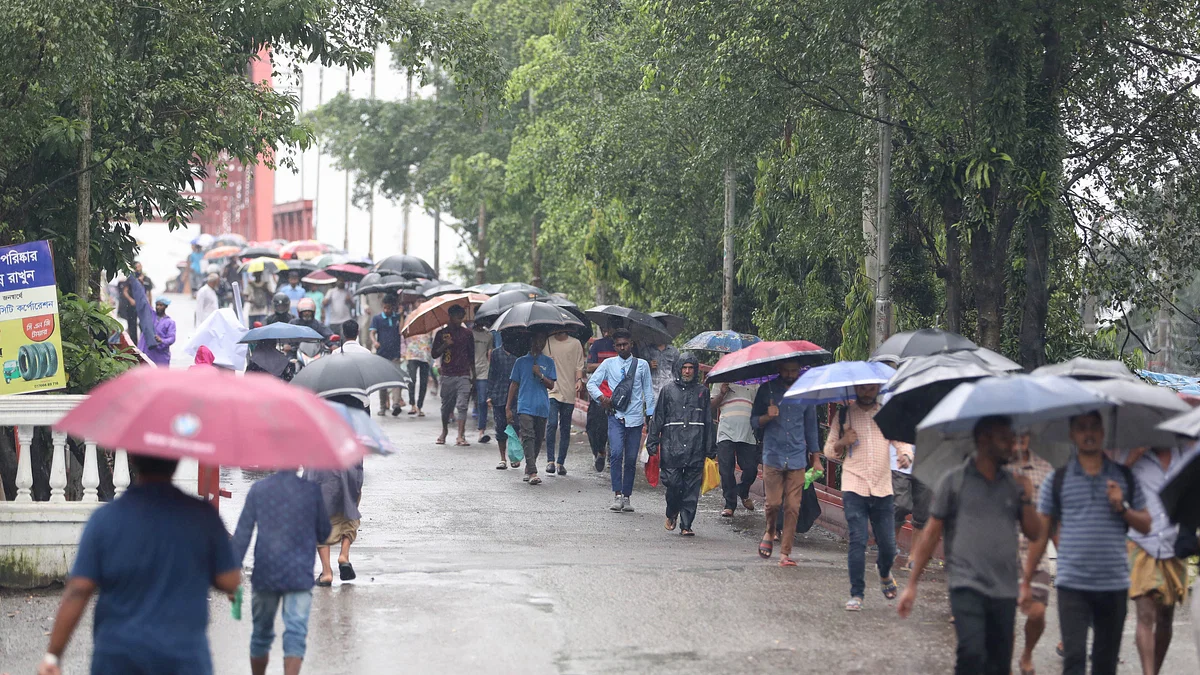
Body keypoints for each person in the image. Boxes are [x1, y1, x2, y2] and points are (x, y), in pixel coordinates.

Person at [37, 454, 240, 675]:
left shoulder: (105, 519)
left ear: (132, 459)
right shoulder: (203, 517)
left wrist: (53, 656)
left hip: (118, 658)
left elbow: (78, 590)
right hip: (183, 659)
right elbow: (230, 581)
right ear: (177, 461)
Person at [897, 416, 1041, 675]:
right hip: (966, 583)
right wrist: (911, 585)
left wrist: (1028, 498)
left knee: (999, 663)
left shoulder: (1014, 484)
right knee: (971, 652)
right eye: (1005, 439)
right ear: (984, 440)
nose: (1012, 445)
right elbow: (930, 534)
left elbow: (1034, 532)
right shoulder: (953, 480)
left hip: (1005, 588)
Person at [1021, 411, 1152, 675]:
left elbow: (1146, 524)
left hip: (1113, 584)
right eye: (1081, 428)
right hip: (1073, 586)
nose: (1088, 433)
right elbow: (1042, 534)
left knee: (1105, 664)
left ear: (1103, 433)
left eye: (1094, 427)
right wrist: (1025, 581)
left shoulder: (1124, 477)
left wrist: (1122, 506)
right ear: (1072, 434)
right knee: (1074, 660)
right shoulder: (1056, 481)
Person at [231, 471, 331, 675]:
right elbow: (324, 532)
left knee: (261, 634)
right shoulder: (311, 492)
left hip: (266, 573)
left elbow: (243, 534)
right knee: (295, 632)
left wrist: (231, 575)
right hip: (299, 575)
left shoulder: (259, 490)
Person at [824, 383, 907, 607]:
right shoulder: (843, 416)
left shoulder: (887, 415)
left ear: (877, 389)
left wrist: (904, 454)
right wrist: (843, 441)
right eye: (863, 388)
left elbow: (901, 441)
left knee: (888, 545)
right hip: (854, 486)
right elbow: (829, 451)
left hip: (882, 487)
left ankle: (884, 572)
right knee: (858, 540)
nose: (867, 392)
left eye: (872, 388)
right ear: (856, 389)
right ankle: (857, 593)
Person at [1120, 446, 1188, 675]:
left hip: (1174, 544)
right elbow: (1111, 486)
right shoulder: (1134, 455)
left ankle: (1154, 671)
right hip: (1141, 542)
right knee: (1145, 613)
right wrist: (1130, 460)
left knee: (1165, 617)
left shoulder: (1187, 458)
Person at [751, 360, 818, 567]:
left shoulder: (806, 393)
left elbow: (812, 428)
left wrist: (816, 458)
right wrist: (766, 417)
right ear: (779, 370)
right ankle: (770, 530)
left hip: (797, 457)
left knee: (793, 506)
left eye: (794, 370)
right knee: (773, 504)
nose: (790, 374)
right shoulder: (767, 390)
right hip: (773, 456)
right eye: (787, 370)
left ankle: (785, 553)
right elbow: (753, 422)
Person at [586, 328, 654, 513]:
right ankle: (617, 495)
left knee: (631, 458)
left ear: (631, 344)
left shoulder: (642, 365)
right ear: (614, 346)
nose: (622, 347)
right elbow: (591, 383)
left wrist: (651, 415)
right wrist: (602, 398)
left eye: (625, 344)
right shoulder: (608, 364)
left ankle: (627, 495)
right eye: (619, 345)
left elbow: (648, 391)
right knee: (615, 454)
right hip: (615, 416)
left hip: (635, 418)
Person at [646, 352, 714, 536]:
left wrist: (710, 446)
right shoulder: (668, 391)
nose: (687, 371)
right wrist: (652, 440)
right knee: (673, 484)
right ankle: (672, 512)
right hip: (671, 446)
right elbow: (658, 417)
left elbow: (708, 420)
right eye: (684, 367)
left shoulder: (702, 392)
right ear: (678, 368)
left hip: (695, 446)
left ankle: (686, 525)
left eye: (691, 368)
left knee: (692, 488)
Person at [1006, 433, 1055, 675]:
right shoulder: (997, 466)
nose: (1019, 437)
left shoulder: (1046, 469)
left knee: (1037, 612)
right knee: (1004, 617)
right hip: (1002, 551)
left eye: (1024, 432)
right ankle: (1004, 659)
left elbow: (1053, 516)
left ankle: (1027, 653)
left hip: (1035, 550)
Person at [506, 331, 557, 485]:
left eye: (543, 341)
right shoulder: (521, 362)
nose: (540, 344)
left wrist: (540, 375)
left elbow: (551, 385)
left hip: (541, 406)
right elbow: (514, 384)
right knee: (528, 436)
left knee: (538, 438)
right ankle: (533, 471)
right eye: (538, 340)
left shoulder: (548, 362)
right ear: (532, 341)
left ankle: (529, 466)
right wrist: (508, 407)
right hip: (525, 406)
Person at [711, 379, 760, 517]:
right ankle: (729, 504)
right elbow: (711, 406)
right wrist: (722, 393)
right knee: (726, 470)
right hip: (726, 431)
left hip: (748, 432)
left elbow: (759, 405)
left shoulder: (755, 381)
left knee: (751, 468)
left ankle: (743, 491)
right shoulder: (722, 380)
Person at [543, 328, 586, 476]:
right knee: (552, 423)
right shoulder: (547, 342)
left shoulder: (575, 343)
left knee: (565, 427)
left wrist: (579, 380)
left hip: (569, 391)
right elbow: (541, 364)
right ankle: (550, 461)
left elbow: (579, 365)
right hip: (552, 390)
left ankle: (561, 462)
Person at [431, 304, 476, 446]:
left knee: (462, 405)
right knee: (446, 407)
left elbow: (471, 355)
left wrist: (473, 374)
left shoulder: (467, 334)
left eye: (461, 318)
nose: (459, 320)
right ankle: (444, 430)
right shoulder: (441, 334)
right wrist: (445, 345)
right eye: (457, 317)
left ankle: (460, 435)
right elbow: (434, 354)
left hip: (463, 374)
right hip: (447, 374)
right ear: (450, 316)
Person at [585, 324, 618, 472]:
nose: (608, 331)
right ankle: (598, 451)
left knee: (611, 427)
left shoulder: (624, 348)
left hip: (616, 393)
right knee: (592, 426)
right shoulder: (597, 345)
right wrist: (606, 364)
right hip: (598, 392)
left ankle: (610, 456)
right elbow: (589, 367)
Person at [369, 295, 406, 416]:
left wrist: (401, 316)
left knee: (396, 380)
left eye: (389, 308)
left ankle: (395, 404)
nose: (386, 310)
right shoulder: (377, 318)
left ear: (393, 308)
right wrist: (375, 342)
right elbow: (372, 333)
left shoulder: (397, 317)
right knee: (382, 382)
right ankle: (382, 406)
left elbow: (401, 331)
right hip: (382, 353)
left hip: (395, 353)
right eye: (385, 308)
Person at [488, 339, 520, 469]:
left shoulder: (519, 354)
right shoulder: (496, 353)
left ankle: (514, 456)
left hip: (516, 396)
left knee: (515, 426)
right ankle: (502, 458)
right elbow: (492, 374)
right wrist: (489, 395)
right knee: (500, 427)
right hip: (499, 394)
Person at [139, 298, 176, 367]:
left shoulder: (170, 322)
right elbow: (144, 303)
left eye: (161, 305)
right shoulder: (150, 316)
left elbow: (172, 338)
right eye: (157, 305)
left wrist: (162, 340)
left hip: (161, 355)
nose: (158, 307)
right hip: (148, 351)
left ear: (166, 306)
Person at [404, 330, 432, 416]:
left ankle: (420, 406)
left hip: (425, 355)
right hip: (412, 354)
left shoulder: (429, 322)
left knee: (423, 382)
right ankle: (412, 405)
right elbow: (402, 333)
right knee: (412, 380)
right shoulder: (411, 321)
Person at [473, 321, 493, 443]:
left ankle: (481, 431)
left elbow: (489, 352)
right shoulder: (469, 334)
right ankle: (461, 433)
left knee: (482, 401)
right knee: (463, 402)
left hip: (483, 370)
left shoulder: (489, 335)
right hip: (469, 369)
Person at [643, 337, 680, 401]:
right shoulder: (646, 351)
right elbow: (640, 372)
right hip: (652, 390)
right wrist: (648, 365)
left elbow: (677, 371)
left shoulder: (674, 351)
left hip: (670, 389)